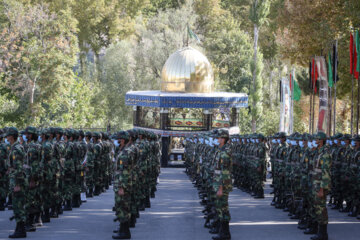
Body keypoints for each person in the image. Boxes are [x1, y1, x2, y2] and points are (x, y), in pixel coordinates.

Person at [6, 127, 27, 238]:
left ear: (12, 136)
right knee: (17, 205)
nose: (7, 137)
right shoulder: (15, 147)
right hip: (16, 179)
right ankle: (20, 229)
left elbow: (19, 167)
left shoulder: (16, 148)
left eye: (8, 135)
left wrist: (18, 183)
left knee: (18, 205)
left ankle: (21, 230)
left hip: (18, 181)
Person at [212, 129, 232, 240]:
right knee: (220, 207)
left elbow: (224, 172)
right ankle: (223, 232)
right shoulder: (220, 150)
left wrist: (220, 187)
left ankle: (225, 234)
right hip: (218, 183)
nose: (217, 139)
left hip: (223, 185)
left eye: (219, 137)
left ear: (223, 139)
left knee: (223, 208)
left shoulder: (225, 152)